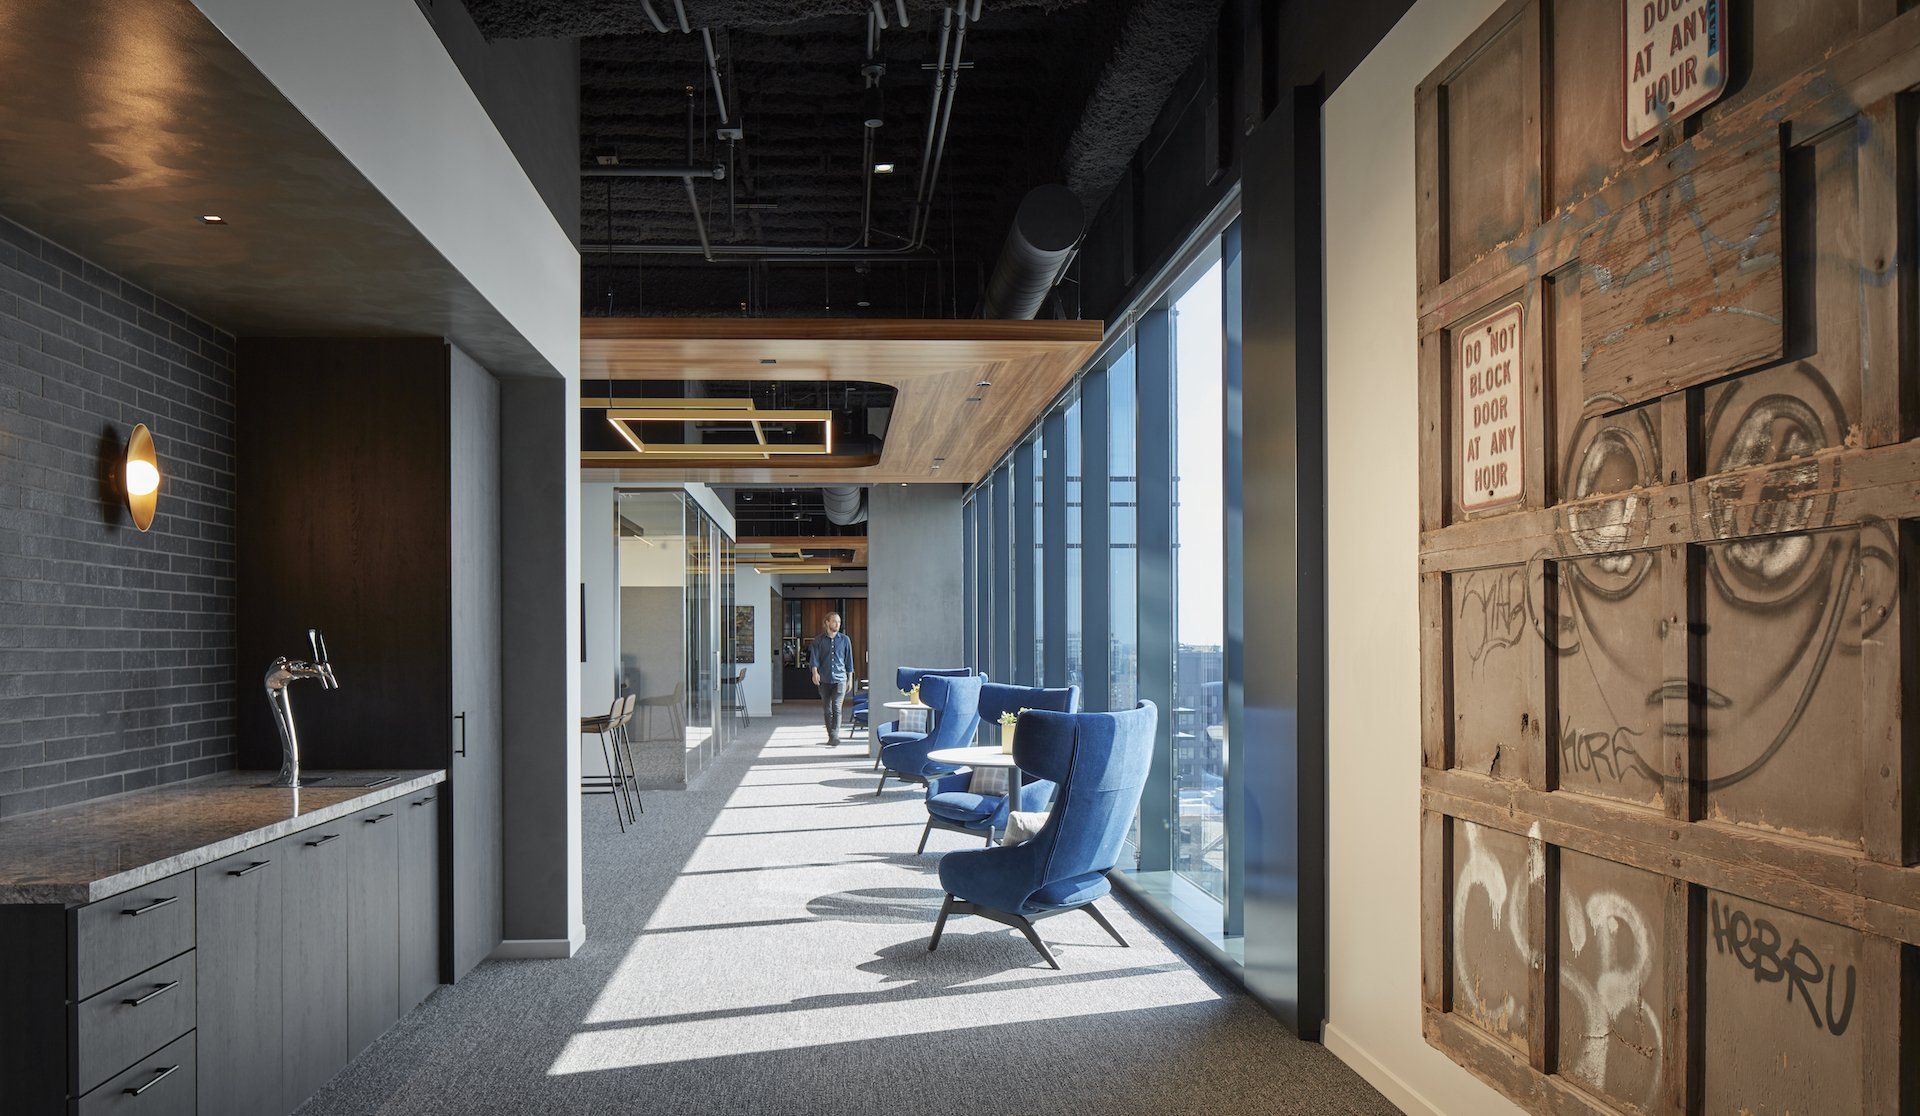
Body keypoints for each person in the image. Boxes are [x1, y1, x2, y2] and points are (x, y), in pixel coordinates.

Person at [809, 612, 855, 746]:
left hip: (840, 678)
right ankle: (832, 736)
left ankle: (834, 736)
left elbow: (849, 661)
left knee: (837, 708)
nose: (837, 624)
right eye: (834, 621)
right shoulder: (818, 640)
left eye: (839, 622)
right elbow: (814, 659)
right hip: (824, 679)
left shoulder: (845, 640)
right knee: (827, 709)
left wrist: (850, 679)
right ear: (827, 622)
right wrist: (814, 673)